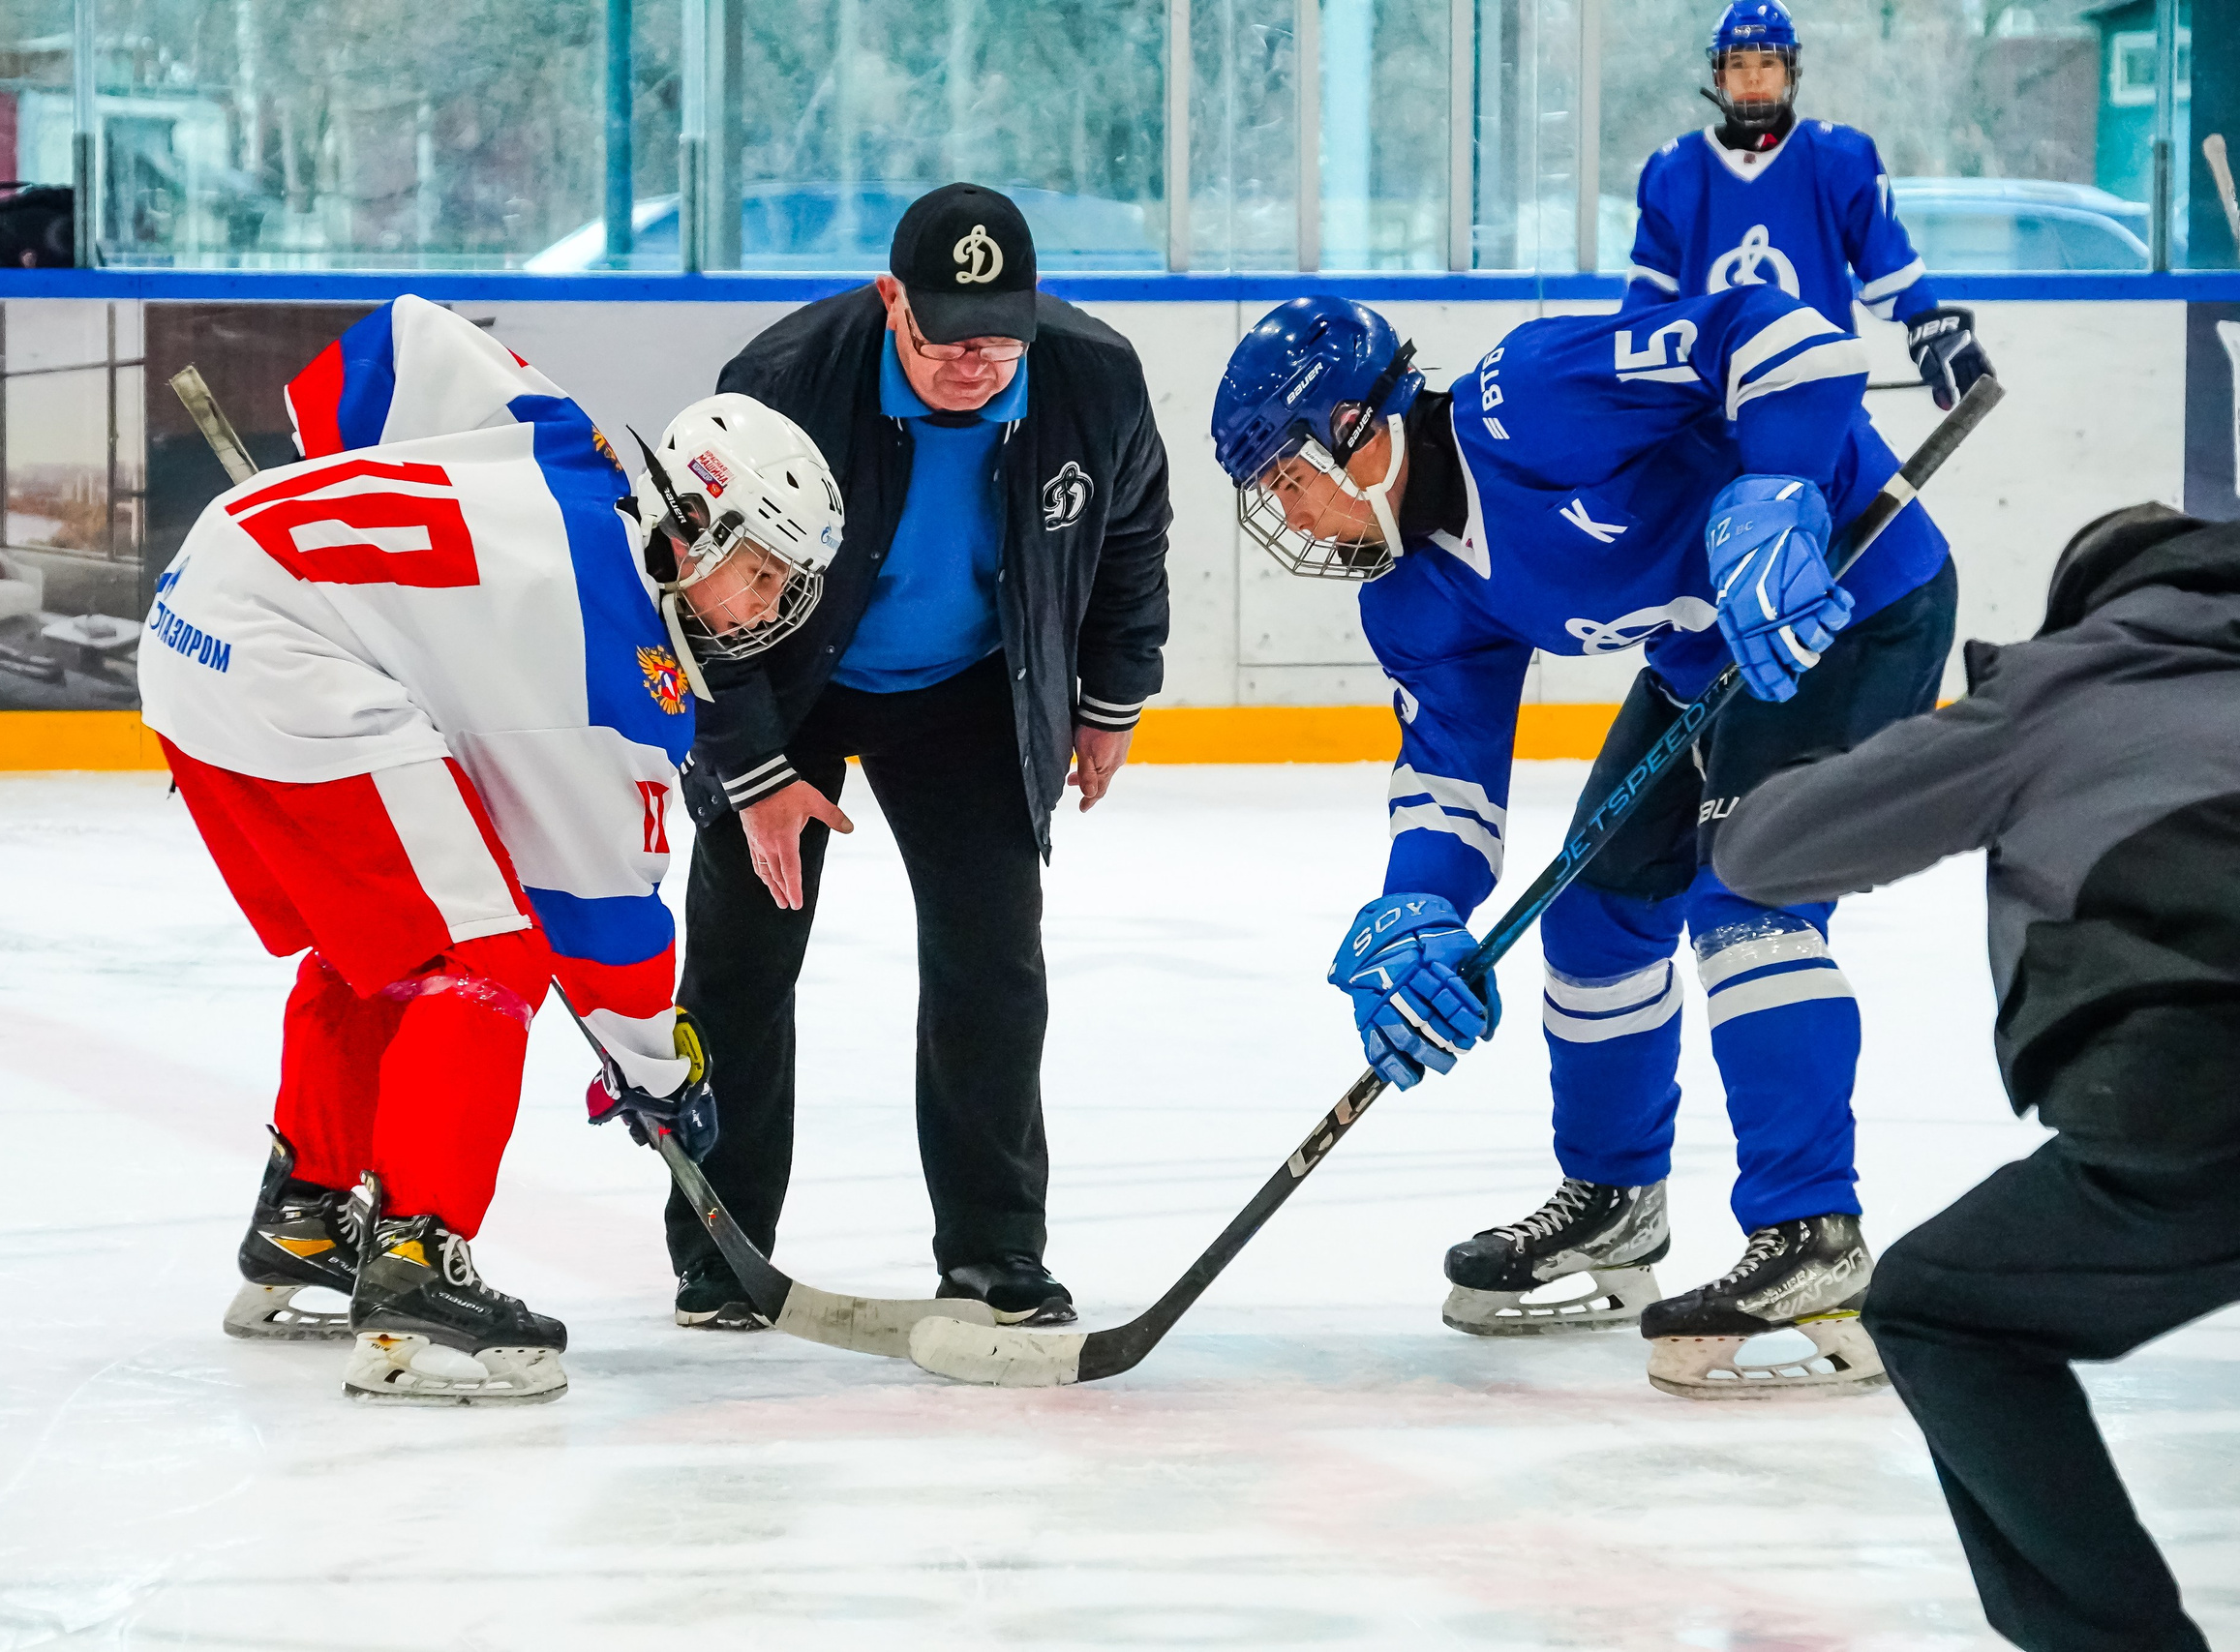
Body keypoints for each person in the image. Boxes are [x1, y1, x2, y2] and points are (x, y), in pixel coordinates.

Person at [1209, 284, 1954, 1398]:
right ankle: (1614, 1205)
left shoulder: (1536, 398)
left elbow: (1782, 334)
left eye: (1286, 475)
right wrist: (1417, 910)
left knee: (1747, 895)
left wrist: (1779, 486)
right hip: (1707, 660)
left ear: (1357, 433)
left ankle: (1811, 1235)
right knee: (1598, 918)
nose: (1288, 513)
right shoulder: (1414, 597)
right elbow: (1450, 783)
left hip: (1849, 603)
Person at [139, 295, 844, 1404]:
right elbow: (598, 916)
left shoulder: (567, 441)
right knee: (486, 964)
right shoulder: (622, 668)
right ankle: (417, 1279)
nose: (767, 608)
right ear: (698, 524)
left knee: (387, 946)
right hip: (282, 665)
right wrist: (658, 1075)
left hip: (207, 623)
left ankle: (309, 1225)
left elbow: (393, 342)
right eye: (759, 571)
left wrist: (325, 503)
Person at [1712, 502, 2240, 1649]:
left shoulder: (2064, 687)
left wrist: (1760, 759)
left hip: (2191, 1092)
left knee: (1943, 1313)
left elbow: (1764, 855)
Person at [664, 183, 1173, 1332]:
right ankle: (719, 1247)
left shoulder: (1095, 378)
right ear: (890, 297)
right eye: (945, 338)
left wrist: (1111, 698)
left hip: (966, 694)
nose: (974, 365)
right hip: (789, 687)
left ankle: (995, 1250)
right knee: (743, 962)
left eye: (999, 340)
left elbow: (1132, 537)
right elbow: (692, 593)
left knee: (992, 963)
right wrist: (750, 766)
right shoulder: (785, 378)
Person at [1627, 0, 1995, 412]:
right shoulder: (1674, 170)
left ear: (1790, 71)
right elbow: (1650, 299)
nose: (1752, 77)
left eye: (1767, 63)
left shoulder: (1840, 159)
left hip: (1820, 399)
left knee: (1876, 479)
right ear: (1719, 75)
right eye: (1738, 64)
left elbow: (1888, 267)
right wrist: (1625, 377)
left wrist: (1929, 327)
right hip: (1704, 411)